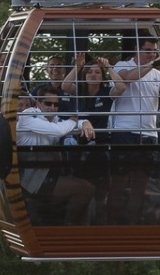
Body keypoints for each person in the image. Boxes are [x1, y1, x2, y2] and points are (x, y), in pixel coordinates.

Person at [106, 33, 160, 224]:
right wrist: (152, 65)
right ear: (137, 50)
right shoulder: (123, 66)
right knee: (119, 182)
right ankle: (111, 224)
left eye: (154, 52)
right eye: (148, 51)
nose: (152, 55)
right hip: (124, 132)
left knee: (140, 184)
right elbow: (127, 79)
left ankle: (133, 224)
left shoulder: (156, 73)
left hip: (149, 133)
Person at [61, 53, 127, 224]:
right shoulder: (79, 90)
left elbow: (121, 87)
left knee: (101, 188)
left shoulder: (106, 91)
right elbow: (65, 85)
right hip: (78, 145)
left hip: (100, 145)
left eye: (97, 72)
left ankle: (100, 222)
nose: (93, 75)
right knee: (81, 185)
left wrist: (109, 68)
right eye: (89, 72)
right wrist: (77, 66)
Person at [17, 86, 96, 225]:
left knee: (86, 188)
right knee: (85, 189)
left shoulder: (51, 119)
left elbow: (65, 125)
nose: (52, 108)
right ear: (38, 104)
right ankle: (69, 227)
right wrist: (73, 121)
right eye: (48, 104)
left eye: (56, 104)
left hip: (47, 176)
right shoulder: (28, 116)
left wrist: (84, 122)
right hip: (34, 182)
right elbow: (58, 130)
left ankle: (76, 230)